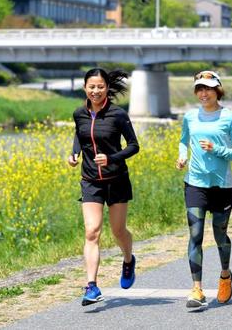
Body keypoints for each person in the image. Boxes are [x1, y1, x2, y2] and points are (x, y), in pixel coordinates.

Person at [68, 68, 140, 306]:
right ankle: (92, 285)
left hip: (116, 179)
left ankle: (128, 260)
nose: (96, 91)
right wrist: (74, 154)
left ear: (107, 88)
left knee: (118, 231)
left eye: (100, 87)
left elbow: (133, 146)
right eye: (92, 87)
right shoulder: (79, 114)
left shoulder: (118, 115)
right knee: (92, 231)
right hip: (90, 181)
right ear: (85, 88)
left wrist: (112, 158)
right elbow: (80, 135)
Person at [176, 70, 232, 309]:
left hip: (222, 186)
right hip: (195, 183)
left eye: (207, 88)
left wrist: (218, 149)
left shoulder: (228, 118)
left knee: (219, 235)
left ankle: (225, 275)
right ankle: (196, 289)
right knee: (195, 234)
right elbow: (184, 140)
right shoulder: (190, 117)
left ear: (217, 90)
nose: (203, 93)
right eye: (199, 89)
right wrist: (182, 157)